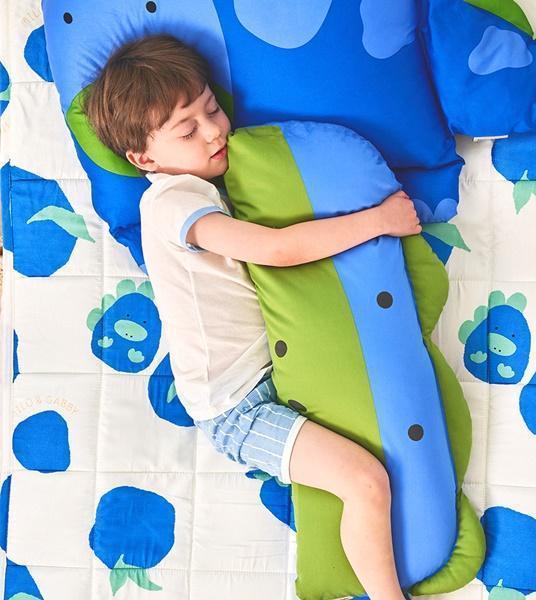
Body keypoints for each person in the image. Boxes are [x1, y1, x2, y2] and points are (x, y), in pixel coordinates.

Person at [84, 33, 421, 600]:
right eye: (187, 131)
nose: (214, 131)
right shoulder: (171, 202)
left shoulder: (210, 186)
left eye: (212, 108)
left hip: (275, 372)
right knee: (365, 481)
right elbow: (276, 249)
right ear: (144, 159)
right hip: (237, 407)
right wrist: (378, 221)